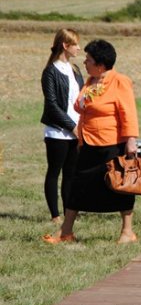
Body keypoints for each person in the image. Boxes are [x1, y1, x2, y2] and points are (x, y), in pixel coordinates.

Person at [43, 39, 140, 244]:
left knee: (120, 186)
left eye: (88, 60)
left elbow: (129, 113)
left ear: (100, 64)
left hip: (112, 143)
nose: (84, 62)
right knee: (78, 186)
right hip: (87, 142)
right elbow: (80, 107)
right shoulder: (90, 81)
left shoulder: (120, 81)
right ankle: (66, 231)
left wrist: (131, 141)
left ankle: (128, 232)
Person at [40, 29, 84, 224]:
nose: (79, 48)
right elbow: (51, 105)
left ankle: (69, 212)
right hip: (57, 132)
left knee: (71, 174)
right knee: (54, 171)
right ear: (65, 46)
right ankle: (55, 215)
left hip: (76, 130)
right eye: (75, 44)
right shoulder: (50, 71)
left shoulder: (75, 70)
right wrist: (71, 126)